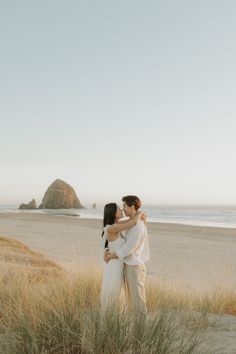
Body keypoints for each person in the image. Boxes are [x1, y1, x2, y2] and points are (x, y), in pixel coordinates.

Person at [105, 195, 149, 317]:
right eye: (121, 207)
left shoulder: (137, 227)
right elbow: (120, 225)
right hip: (129, 266)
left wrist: (110, 255)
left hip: (134, 268)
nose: (123, 208)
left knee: (139, 304)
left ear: (132, 207)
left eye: (124, 205)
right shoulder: (132, 224)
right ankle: (138, 330)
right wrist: (139, 214)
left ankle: (142, 333)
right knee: (133, 302)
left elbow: (126, 250)